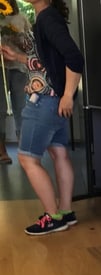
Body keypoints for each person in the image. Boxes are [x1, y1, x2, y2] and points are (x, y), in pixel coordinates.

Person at [1, 0, 83, 235]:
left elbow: (74, 58)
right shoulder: (46, 17)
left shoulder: (47, 18)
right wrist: (17, 57)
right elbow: (48, 64)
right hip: (51, 100)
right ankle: (66, 212)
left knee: (27, 159)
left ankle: (53, 217)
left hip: (45, 101)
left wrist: (68, 95)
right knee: (59, 153)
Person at [0, 0, 30, 164]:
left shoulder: (21, 18)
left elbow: (30, 46)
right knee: (0, 110)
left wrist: (16, 37)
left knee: (22, 108)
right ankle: (1, 150)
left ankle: (24, 149)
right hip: (1, 68)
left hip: (18, 67)